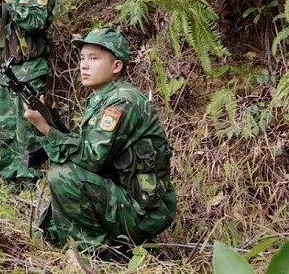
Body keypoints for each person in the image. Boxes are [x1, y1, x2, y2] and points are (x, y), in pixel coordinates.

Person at [23, 28, 176, 253]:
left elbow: (91, 158)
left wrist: (46, 129)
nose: (84, 65)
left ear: (116, 66)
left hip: (142, 212)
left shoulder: (122, 102)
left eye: (94, 59)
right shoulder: (103, 99)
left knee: (63, 174)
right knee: (52, 233)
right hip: (126, 199)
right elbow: (91, 151)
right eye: (82, 58)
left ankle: (100, 254)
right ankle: (92, 244)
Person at [0, 0, 55, 191]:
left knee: (27, 127)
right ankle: (10, 178)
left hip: (31, 70)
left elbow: (35, 23)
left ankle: (29, 181)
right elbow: (15, 32)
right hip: (11, 69)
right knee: (6, 127)